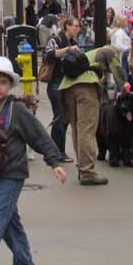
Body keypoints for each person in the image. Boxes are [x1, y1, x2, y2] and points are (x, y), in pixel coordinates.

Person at [0, 56, 67, 265]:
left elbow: (38, 136)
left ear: (10, 84)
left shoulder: (17, 110)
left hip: (11, 174)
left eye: (2, 82)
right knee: (10, 225)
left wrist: (54, 162)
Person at [57, 38, 111, 186]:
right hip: (86, 88)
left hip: (67, 87)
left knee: (77, 129)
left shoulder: (91, 53)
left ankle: (83, 168)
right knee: (87, 130)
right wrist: (125, 84)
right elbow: (118, 71)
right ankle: (87, 172)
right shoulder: (111, 52)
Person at [42, 17, 80, 162]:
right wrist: (68, 50)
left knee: (64, 118)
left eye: (78, 26)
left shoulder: (74, 42)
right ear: (67, 26)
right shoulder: (56, 39)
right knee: (59, 117)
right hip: (56, 83)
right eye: (75, 26)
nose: (77, 29)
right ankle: (57, 152)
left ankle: (55, 150)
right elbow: (48, 55)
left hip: (67, 83)